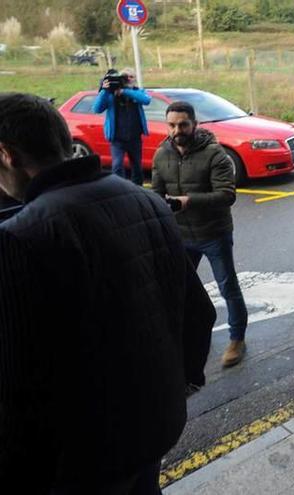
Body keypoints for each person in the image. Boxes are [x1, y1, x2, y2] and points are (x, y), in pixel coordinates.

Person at [0, 93, 214, 493]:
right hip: (156, 426)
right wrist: (176, 386)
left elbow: (17, 386)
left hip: (84, 456)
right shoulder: (148, 201)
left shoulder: (21, 237)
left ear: (7, 154)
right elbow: (199, 315)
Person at [152, 101, 249, 368]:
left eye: (183, 124)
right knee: (179, 289)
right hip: (181, 235)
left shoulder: (215, 154)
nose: (177, 130)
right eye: (172, 125)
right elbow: (157, 192)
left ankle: (237, 339)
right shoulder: (161, 155)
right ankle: (183, 336)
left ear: (194, 124)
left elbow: (227, 195)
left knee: (227, 286)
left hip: (213, 234)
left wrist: (188, 201)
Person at [91, 68, 151, 185]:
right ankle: (119, 187)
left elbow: (146, 100)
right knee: (117, 165)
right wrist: (104, 90)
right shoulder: (110, 94)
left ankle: (137, 189)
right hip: (117, 138)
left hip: (135, 137)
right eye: (125, 76)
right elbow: (96, 109)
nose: (128, 79)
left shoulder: (137, 91)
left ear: (135, 79)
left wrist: (124, 91)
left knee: (137, 166)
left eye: (131, 77)